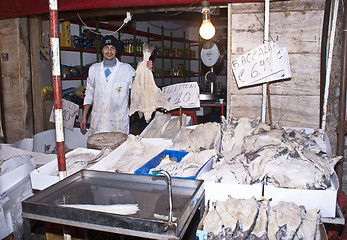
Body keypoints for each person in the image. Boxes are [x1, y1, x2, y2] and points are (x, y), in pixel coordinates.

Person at [80, 35, 152, 136]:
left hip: (118, 123)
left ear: (116, 51)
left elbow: (140, 87)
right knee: (97, 150)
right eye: (106, 47)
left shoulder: (126, 69)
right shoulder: (94, 69)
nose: (109, 51)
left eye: (112, 48)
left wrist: (146, 70)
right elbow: (89, 94)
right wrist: (84, 117)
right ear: (102, 50)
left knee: (118, 150)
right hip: (98, 122)